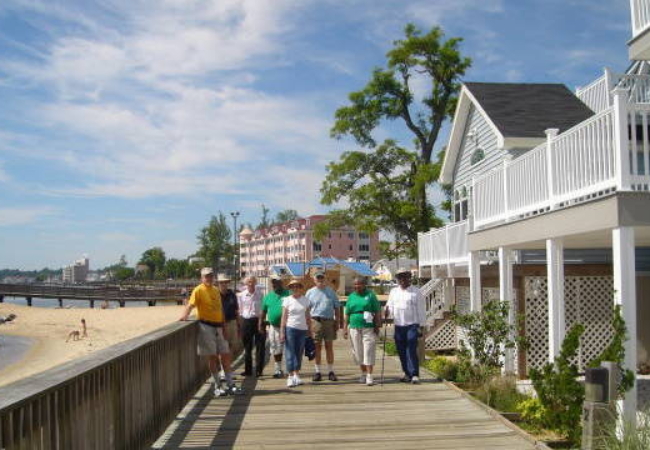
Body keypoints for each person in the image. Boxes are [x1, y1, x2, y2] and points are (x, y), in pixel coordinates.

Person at [179, 267, 241, 396]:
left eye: (211, 276)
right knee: (212, 357)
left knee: (226, 355)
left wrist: (223, 326)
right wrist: (184, 317)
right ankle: (218, 385)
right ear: (202, 278)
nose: (209, 278)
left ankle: (230, 384)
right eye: (206, 276)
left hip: (219, 326)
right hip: (206, 326)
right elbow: (190, 305)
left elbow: (220, 310)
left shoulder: (215, 290)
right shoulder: (198, 290)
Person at [385, 268, 426, 384]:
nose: (402, 279)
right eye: (400, 277)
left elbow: (421, 310)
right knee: (401, 351)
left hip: (412, 325)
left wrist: (421, 326)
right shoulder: (394, 292)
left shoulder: (416, 292)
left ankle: (414, 374)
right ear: (397, 279)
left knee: (411, 349)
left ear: (409, 278)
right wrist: (387, 311)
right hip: (398, 325)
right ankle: (407, 373)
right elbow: (390, 307)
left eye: (405, 277)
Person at [343, 277, 381, 386]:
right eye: (355, 285)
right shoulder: (351, 296)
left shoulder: (370, 295)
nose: (357, 287)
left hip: (368, 326)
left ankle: (369, 375)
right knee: (358, 352)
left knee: (368, 350)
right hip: (354, 326)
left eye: (359, 284)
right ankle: (363, 373)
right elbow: (347, 313)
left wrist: (378, 325)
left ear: (364, 285)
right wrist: (345, 328)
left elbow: (377, 310)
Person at [305, 270, 341, 382]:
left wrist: (337, 322)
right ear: (314, 280)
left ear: (325, 279)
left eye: (322, 278)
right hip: (315, 321)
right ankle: (318, 372)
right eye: (318, 278)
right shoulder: (310, 292)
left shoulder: (331, 291)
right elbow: (306, 309)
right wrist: (307, 324)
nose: (320, 280)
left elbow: (337, 307)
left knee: (329, 347)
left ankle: (330, 371)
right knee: (317, 347)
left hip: (329, 322)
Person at [280, 278, 313, 387]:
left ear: (300, 288)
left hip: (303, 329)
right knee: (290, 352)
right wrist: (282, 332)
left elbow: (308, 316)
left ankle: (296, 374)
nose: (295, 288)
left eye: (297, 286)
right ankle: (290, 376)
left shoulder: (305, 300)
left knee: (299, 352)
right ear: (290, 288)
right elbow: (284, 317)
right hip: (290, 328)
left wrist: (310, 330)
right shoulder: (287, 300)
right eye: (293, 287)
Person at [260, 275, 290, 378]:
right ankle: (278, 369)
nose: (275, 284)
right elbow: (263, 312)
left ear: (281, 283)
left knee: (288, 348)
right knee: (275, 348)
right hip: (273, 326)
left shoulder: (288, 294)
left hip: (288, 326)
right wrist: (260, 324)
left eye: (277, 282)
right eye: (273, 283)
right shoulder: (268, 296)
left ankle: (289, 369)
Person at [237, 276, 265, 377]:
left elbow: (262, 309)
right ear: (246, 283)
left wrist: (261, 322)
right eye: (249, 282)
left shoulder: (260, 295)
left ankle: (259, 370)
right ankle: (248, 370)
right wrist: (240, 325)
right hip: (246, 321)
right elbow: (240, 311)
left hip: (258, 320)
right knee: (247, 347)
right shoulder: (241, 295)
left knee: (260, 346)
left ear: (255, 283)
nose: (251, 283)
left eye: (253, 282)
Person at [217, 274, 242, 358]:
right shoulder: (215, 295)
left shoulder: (232, 294)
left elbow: (236, 310)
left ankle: (228, 366)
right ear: (218, 284)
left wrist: (239, 325)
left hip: (232, 322)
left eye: (225, 282)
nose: (223, 284)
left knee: (232, 345)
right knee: (222, 346)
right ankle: (223, 367)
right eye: (221, 283)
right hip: (220, 324)